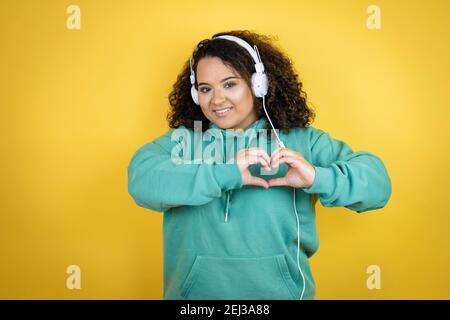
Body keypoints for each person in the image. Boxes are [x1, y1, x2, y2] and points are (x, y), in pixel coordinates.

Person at [127, 30, 392, 300]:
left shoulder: (302, 142)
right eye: (205, 89)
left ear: (259, 85)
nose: (216, 100)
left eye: (229, 84)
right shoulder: (182, 142)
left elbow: (377, 186)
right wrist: (223, 174)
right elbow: (141, 179)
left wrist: (316, 177)